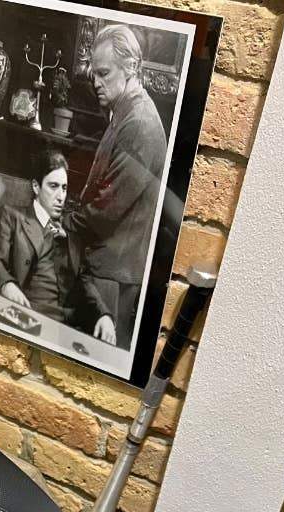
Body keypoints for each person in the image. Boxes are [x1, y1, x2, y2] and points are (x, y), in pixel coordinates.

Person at [66, 23, 168, 350]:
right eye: (93, 73)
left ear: (131, 67)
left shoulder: (139, 123)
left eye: (104, 73)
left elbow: (107, 209)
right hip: (105, 266)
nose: (95, 82)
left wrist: (65, 222)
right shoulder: (123, 111)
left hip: (113, 275)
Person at [0, 150, 116, 344]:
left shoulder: (70, 230)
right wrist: (8, 285)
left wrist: (103, 314)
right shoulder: (12, 216)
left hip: (66, 326)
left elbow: (84, 279)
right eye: (53, 186)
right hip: (28, 315)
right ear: (36, 186)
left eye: (64, 188)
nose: (61, 196)